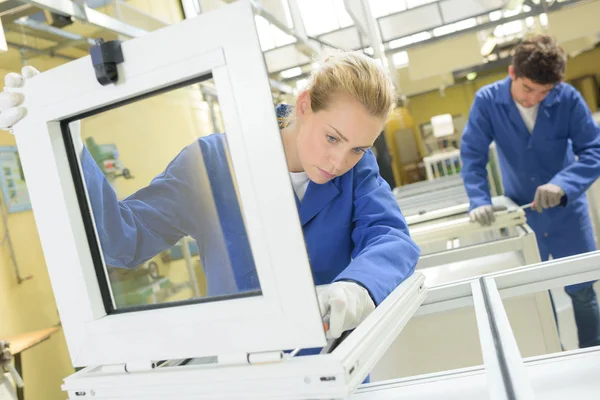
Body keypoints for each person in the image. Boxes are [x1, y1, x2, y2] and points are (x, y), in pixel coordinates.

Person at [0, 52, 420, 343]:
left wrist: (355, 287)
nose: (338, 160)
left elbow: (392, 238)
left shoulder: (357, 172)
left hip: (337, 366)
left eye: (357, 148)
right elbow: (121, 242)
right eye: (333, 138)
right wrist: (66, 149)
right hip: (246, 371)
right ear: (305, 104)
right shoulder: (212, 164)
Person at [461, 35, 600, 348]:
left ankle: (593, 357)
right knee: (538, 293)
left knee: (582, 290)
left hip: (568, 213)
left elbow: (594, 150)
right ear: (512, 73)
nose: (534, 98)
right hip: (525, 216)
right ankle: (555, 359)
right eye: (528, 89)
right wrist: (479, 200)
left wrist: (563, 184)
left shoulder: (567, 99)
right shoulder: (487, 101)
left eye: (544, 92)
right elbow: (473, 155)